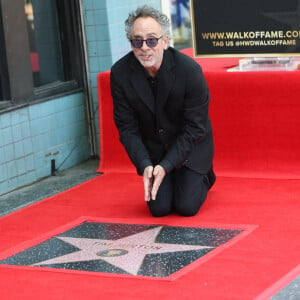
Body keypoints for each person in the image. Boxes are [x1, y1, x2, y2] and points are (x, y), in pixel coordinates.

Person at [110, 5, 215, 217]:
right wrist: (145, 165)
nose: (144, 48)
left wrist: (167, 165)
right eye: (137, 41)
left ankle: (206, 175)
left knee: (186, 207)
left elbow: (195, 127)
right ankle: (168, 177)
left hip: (190, 147)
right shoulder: (120, 73)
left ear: (165, 41)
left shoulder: (189, 71)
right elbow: (126, 127)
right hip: (155, 149)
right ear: (131, 43)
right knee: (159, 209)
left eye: (151, 40)